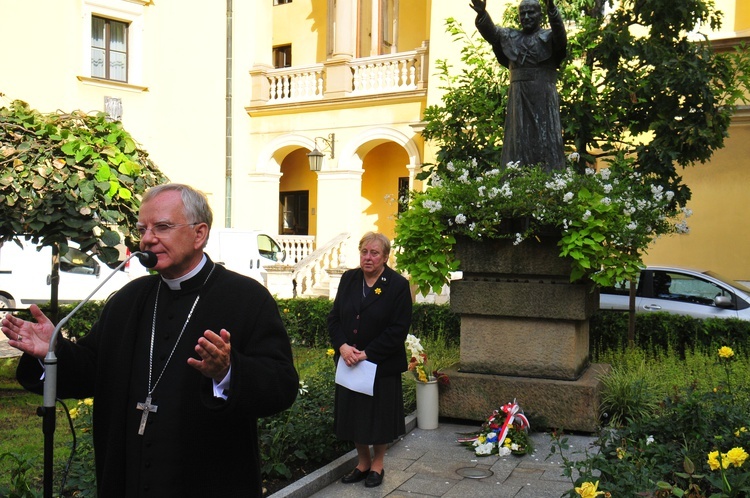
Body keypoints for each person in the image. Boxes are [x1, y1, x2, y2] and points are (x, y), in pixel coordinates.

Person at [1, 183, 299, 497]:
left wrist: (227, 372)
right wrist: (52, 350)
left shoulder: (246, 298)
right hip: (128, 478)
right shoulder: (129, 299)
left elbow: (281, 386)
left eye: (163, 227)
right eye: (143, 228)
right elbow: (92, 370)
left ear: (199, 234)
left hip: (209, 480)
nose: (147, 239)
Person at [328, 232, 412, 488]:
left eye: (374, 253)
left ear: (386, 257)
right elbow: (334, 319)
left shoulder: (396, 285)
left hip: (380, 365)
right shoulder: (349, 279)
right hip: (350, 364)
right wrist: (342, 346)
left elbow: (398, 330)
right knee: (355, 416)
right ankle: (362, 462)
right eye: (364, 251)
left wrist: (367, 353)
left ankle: (378, 465)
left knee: (379, 417)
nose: (368, 257)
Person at [470, 0, 567, 171]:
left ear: (540, 15)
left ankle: (549, 179)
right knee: (518, 141)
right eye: (523, 14)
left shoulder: (549, 37)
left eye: (531, 13)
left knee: (546, 141)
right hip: (518, 97)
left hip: (543, 95)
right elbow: (492, 33)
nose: (526, 17)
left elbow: (561, 36)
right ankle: (515, 179)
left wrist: (552, 9)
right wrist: (482, 14)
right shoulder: (510, 36)